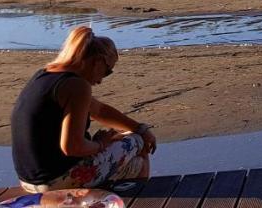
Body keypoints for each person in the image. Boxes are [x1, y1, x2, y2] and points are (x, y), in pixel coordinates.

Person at [10, 26, 157, 192]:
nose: (102, 80)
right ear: (97, 61)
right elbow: (72, 147)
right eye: (107, 71)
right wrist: (101, 144)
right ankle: (142, 197)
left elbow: (99, 110)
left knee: (134, 153)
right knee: (137, 141)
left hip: (29, 181)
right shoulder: (77, 85)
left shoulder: (45, 75)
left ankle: (118, 191)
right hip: (56, 180)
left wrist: (140, 127)